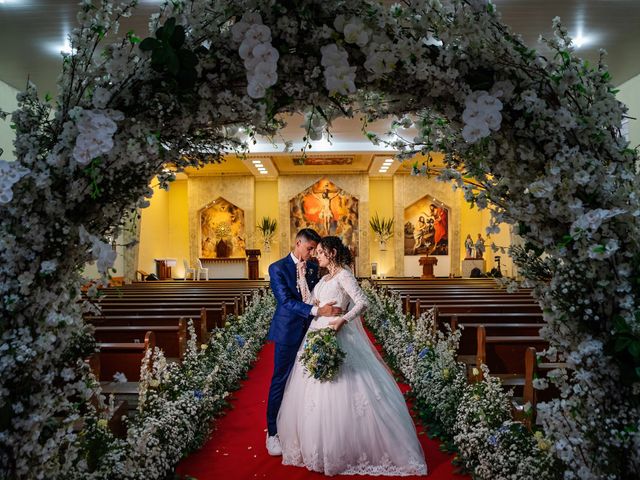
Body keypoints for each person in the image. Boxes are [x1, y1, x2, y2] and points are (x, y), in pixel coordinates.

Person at [277, 236, 428, 476]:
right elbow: (309, 301)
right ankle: (319, 445)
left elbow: (362, 302)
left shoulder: (344, 275)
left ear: (333, 253)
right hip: (316, 334)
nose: (317, 256)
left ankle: (349, 447)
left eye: (321, 252)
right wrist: (309, 293)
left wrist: (342, 320)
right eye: (315, 252)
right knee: (314, 388)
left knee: (343, 386)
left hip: (337, 333)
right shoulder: (324, 277)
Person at [265, 228, 344, 456]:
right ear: (298, 243)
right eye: (310, 249)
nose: (312, 254)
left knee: (305, 381)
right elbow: (286, 301)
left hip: (311, 331)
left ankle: (298, 426)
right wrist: (318, 310)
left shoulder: (312, 267)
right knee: (281, 379)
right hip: (288, 332)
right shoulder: (277, 268)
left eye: (315, 250)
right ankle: (272, 433)